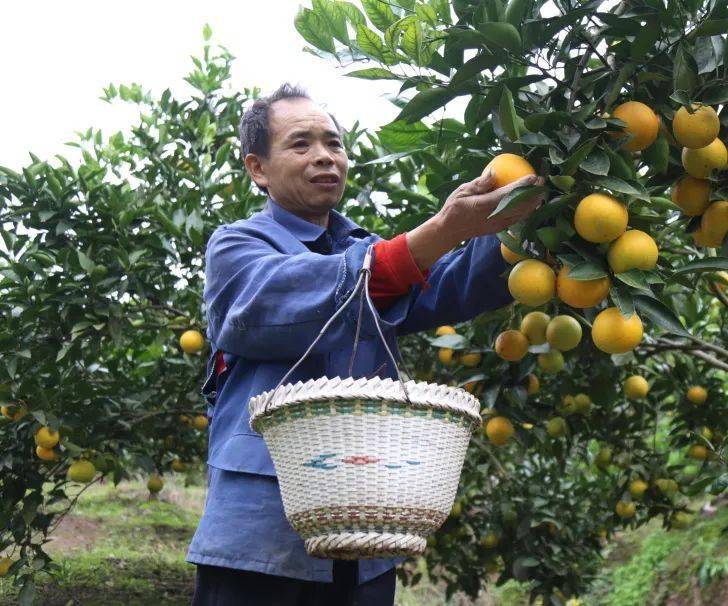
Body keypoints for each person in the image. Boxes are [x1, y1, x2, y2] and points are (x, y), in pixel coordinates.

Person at [185, 83, 543, 605]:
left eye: (333, 143)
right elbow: (278, 303)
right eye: (301, 144)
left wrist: (523, 217)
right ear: (257, 168)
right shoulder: (238, 245)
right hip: (263, 531)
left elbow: (451, 284)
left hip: (369, 527)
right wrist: (441, 228)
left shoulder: (365, 248)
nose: (324, 156)